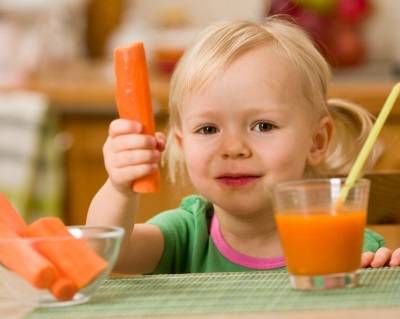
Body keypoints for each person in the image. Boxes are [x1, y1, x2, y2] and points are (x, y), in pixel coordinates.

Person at [87, 16, 400, 275]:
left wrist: (385, 279)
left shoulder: (350, 247)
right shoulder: (186, 234)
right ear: (181, 145)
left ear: (316, 142)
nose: (233, 148)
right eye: (208, 128)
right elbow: (105, 254)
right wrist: (119, 188)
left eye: (263, 126)